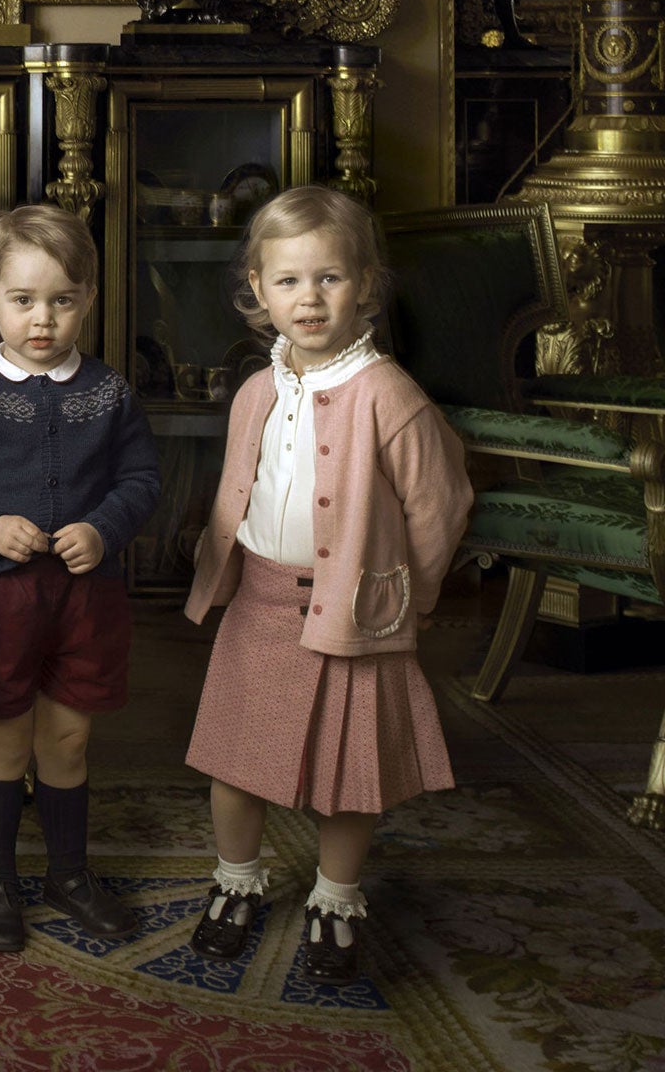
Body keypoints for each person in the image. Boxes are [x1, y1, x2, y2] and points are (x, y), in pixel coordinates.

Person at [184, 186, 472, 984]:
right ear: (257, 289)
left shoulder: (390, 395)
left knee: (349, 775)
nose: (309, 298)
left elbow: (440, 508)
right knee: (235, 763)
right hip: (261, 602)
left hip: (354, 612)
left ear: (366, 285)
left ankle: (336, 898)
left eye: (330, 279)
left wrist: (403, 596)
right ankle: (236, 883)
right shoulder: (256, 390)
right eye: (288, 281)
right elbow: (240, 491)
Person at [0, 204, 160, 954]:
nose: (42, 319)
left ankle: (69, 874)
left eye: (60, 300)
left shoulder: (110, 392)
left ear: (87, 298)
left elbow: (143, 477)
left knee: (70, 738)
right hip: (1, 598)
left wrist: (104, 527)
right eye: (22, 301)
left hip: (88, 598)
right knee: (5, 741)